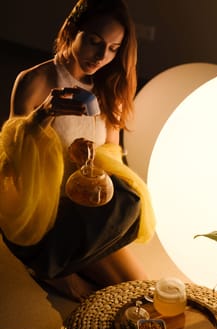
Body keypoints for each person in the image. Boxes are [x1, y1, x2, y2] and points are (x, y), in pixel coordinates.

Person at [0, 0, 155, 301]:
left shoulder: (109, 88)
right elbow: (11, 161)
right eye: (94, 41)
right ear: (72, 30)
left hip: (85, 208)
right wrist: (41, 116)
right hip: (45, 205)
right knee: (114, 292)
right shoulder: (36, 80)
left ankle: (59, 266)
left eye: (113, 48)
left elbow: (112, 153)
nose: (101, 56)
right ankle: (57, 268)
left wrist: (89, 159)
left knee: (139, 286)